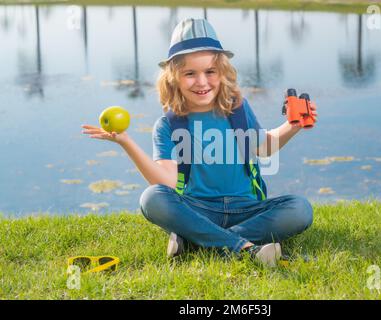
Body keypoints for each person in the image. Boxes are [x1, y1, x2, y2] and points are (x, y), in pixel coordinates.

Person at [82, 18, 316, 267]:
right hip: (197, 209)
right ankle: (243, 247)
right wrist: (126, 142)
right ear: (174, 78)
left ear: (222, 73)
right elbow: (167, 183)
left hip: (247, 208)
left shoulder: (237, 110)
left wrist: (293, 126)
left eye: (210, 72)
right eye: (190, 74)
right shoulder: (168, 125)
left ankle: (198, 240)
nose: (202, 82)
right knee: (151, 198)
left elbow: (263, 147)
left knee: (299, 208)